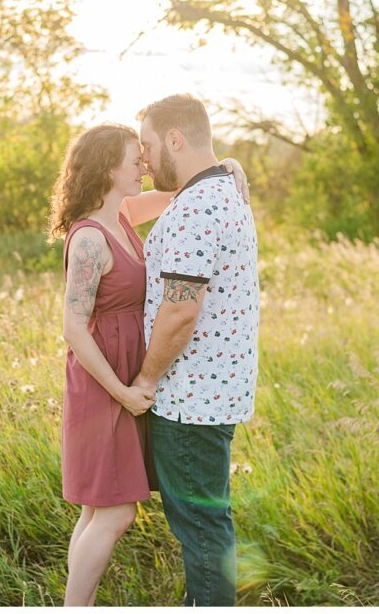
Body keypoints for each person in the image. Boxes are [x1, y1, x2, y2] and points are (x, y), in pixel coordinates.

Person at [48, 123, 248, 607]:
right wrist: (123, 391)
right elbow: (73, 328)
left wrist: (229, 166)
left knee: (96, 510)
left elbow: (181, 187)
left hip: (122, 374)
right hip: (104, 381)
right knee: (116, 514)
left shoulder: (122, 213)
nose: (143, 165)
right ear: (106, 168)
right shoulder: (93, 238)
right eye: (133, 159)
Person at [130, 94, 260, 606]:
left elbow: (181, 310)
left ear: (175, 140)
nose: (144, 158)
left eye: (147, 145)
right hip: (211, 392)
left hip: (189, 400)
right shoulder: (222, 189)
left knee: (204, 533)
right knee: (207, 527)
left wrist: (145, 379)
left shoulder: (198, 208)